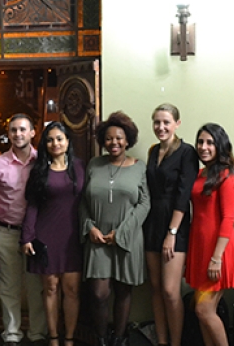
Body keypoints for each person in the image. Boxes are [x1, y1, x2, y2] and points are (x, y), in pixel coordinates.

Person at [80, 111, 150, 346]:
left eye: (119, 138)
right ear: (102, 140)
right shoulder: (94, 164)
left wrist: (121, 233)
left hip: (127, 238)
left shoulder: (139, 167)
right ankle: (100, 338)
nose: (114, 143)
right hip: (98, 239)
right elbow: (83, 201)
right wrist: (89, 227)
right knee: (99, 294)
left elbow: (144, 202)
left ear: (128, 139)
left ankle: (119, 338)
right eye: (109, 138)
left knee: (123, 292)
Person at [21, 122, 85, 346]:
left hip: (73, 237)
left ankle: (69, 338)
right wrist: (27, 236)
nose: (55, 143)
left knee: (72, 290)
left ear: (68, 142)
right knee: (50, 288)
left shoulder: (79, 167)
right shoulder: (39, 170)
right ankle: (54, 339)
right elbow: (32, 206)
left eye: (59, 138)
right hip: (45, 235)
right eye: (50, 140)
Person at [0, 114, 47, 346]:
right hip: (8, 232)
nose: (18, 134)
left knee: (35, 286)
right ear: (9, 134)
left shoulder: (43, 161)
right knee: (9, 286)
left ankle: (37, 333)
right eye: (13, 130)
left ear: (33, 133)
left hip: (36, 234)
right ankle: (11, 333)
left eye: (23, 129)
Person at [143, 104, 198, 346]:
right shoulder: (153, 151)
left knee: (169, 290)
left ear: (177, 123)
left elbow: (183, 194)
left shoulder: (187, 152)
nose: (161, 127)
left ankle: (176, 342)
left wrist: (172, 232)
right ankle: (162, 341)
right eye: (157, 122)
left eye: (166, 122)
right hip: (151, 221)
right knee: (154, 288)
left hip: (175, 223)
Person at [185, 123, 234, 346]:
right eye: (200, 142)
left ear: (220, 145)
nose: (204, 147)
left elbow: (229, 219)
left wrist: (216, 258)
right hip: (200, 247)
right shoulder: (200, 174)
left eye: (210, 142)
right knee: (202, 312)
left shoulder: (227, 175)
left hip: (218, 250)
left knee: (203, 309)